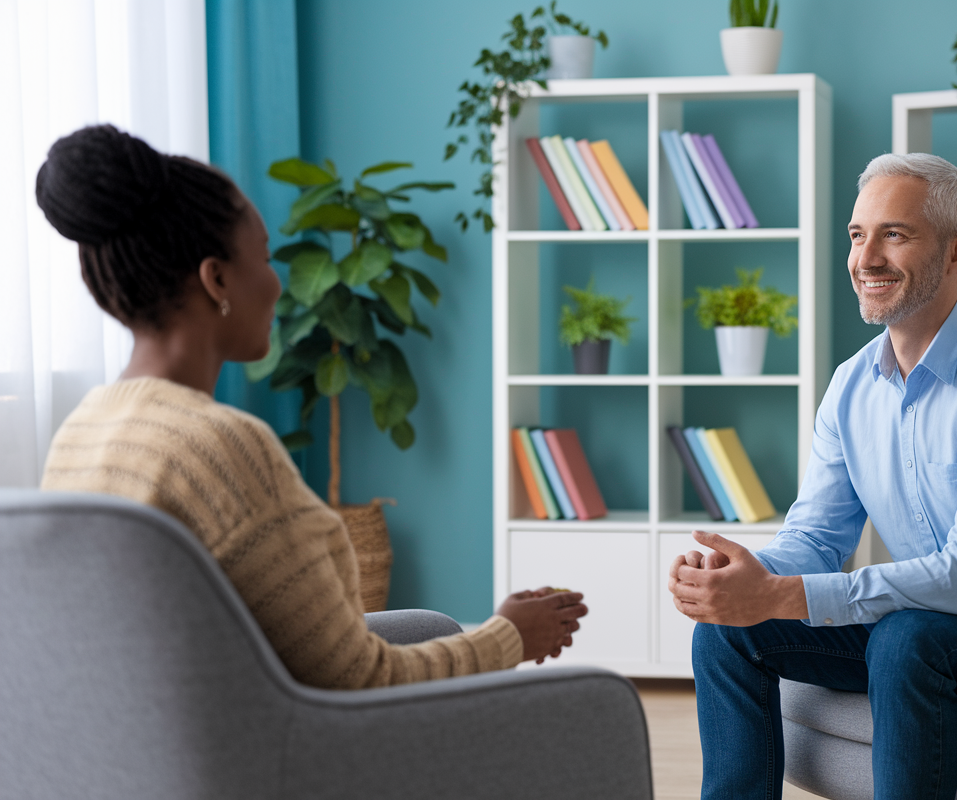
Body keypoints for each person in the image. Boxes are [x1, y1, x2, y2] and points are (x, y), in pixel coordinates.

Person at [37, 124, 588, 689]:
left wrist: (488, 632)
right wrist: (510, 637)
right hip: (281, 759)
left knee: (433, 626)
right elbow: (362, 681)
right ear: (217, 279)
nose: (278, 284)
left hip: (144, 747)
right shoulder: (221, 447)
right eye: (266, 257)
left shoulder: (80, 432)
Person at [668, 153, 957, 800]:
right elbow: (816, 540)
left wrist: (785, 597)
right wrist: (748, 580)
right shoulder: (852, 384)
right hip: (937, 619)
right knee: (728, 631)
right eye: (857, 235)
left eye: (895, 235)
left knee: (908, 638)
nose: (867, 258)